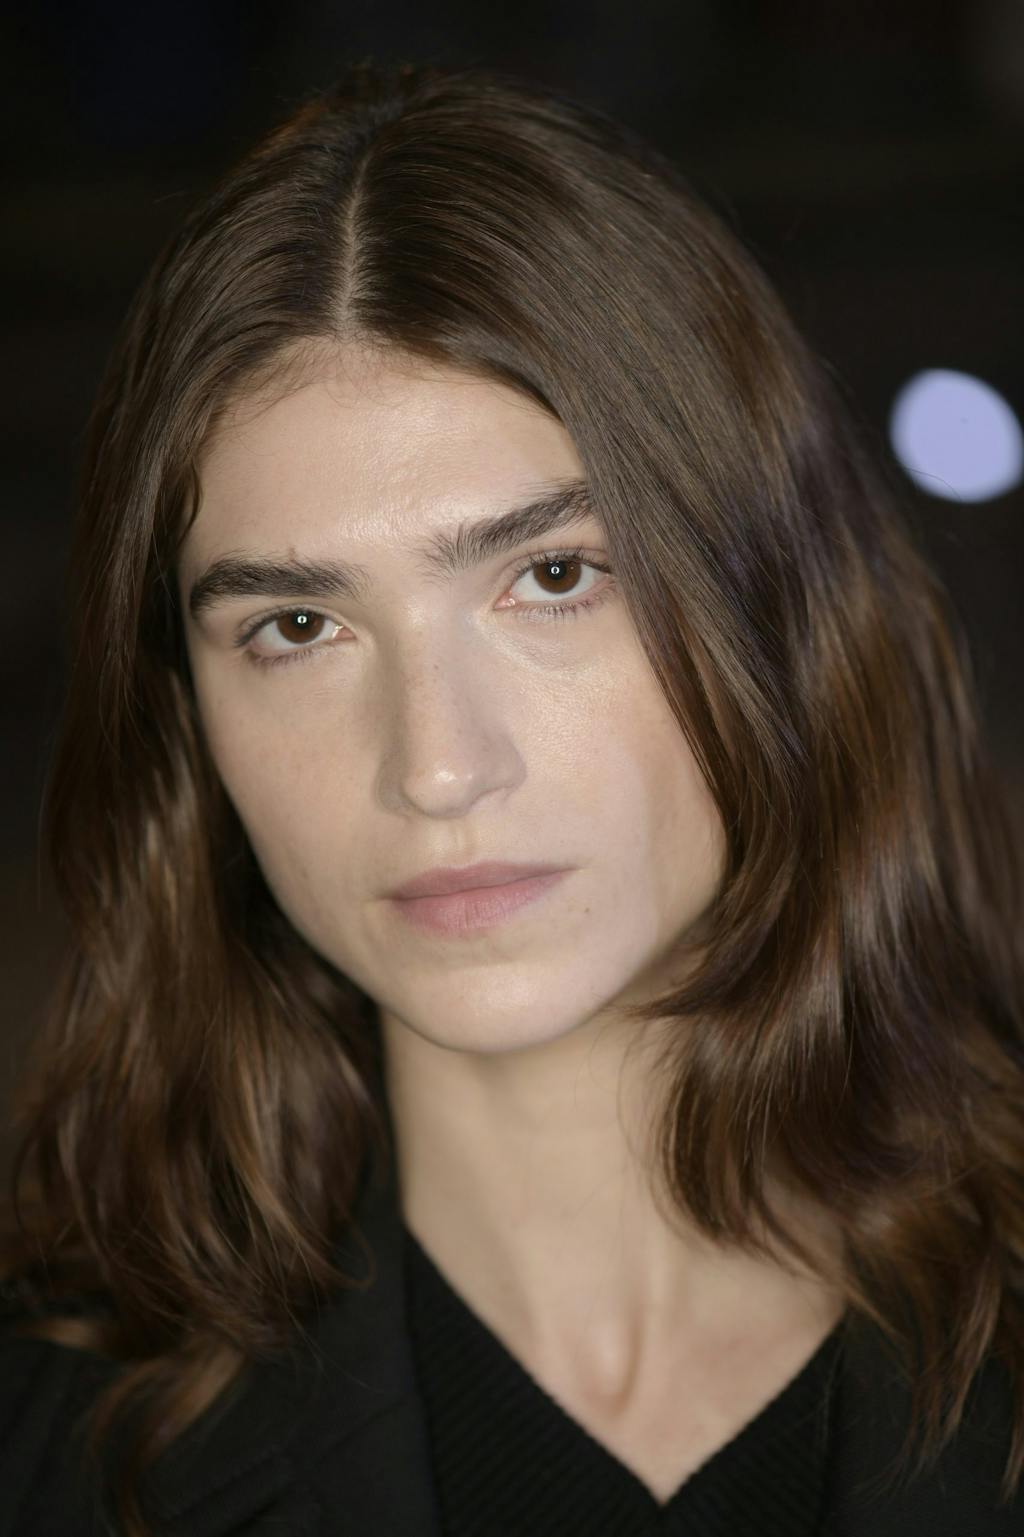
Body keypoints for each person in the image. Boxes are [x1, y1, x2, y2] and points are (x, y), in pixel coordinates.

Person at [2, 56, 1024, 1537]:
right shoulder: (51, 1453)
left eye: (552, 577)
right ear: (188, 716)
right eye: (298, 625)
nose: (436, 765)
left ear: (776, 604)